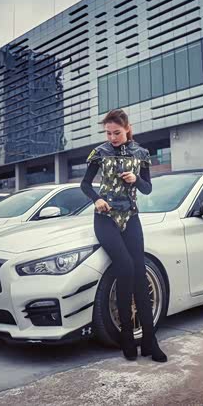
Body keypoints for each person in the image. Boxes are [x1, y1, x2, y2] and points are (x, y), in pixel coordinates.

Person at [80, 108, 167, 363]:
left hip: (131, 217)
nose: (112, 138)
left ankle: (150, 340)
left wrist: (135, 178)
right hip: (105, 218)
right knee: (125, 267)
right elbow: (85, 184)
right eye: (108, 133)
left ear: (127, 129)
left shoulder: (141, 153)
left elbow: (147, 189)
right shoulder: (99, 152)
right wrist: (96, 200)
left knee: (139, 272)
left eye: (116, 133)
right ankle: (127, 336)